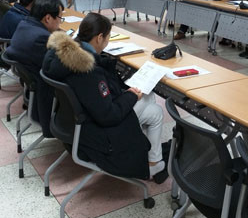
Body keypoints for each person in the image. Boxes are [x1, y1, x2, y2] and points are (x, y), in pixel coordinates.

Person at [42, 13, 167, 182]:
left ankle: (148, 154)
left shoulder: (62, 55)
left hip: (71, 122)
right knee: (153, 107)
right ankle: (149, 162)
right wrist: (131, 95)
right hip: (94, 132)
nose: (107, 42)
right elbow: (108, 115)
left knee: (151, 107)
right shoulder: (87, 70)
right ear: (99, 38)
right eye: (108, 38)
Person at [6, 0, 64, 137]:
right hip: (45, 87)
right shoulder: (41, 38)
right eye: (60, 18)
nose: (60, 22)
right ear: (48, 18)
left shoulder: (24, 24)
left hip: (33, 80)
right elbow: (57, 68)